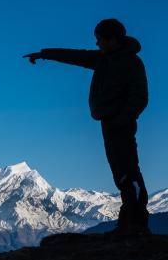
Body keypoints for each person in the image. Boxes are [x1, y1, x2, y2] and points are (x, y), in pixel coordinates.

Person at [23, 19, 150, 235]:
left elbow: (140, 97)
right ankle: (128, 220)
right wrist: (44, 53)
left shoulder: (131, 63)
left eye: (100, 39)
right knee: (119, 171)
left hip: (121, 124)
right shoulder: (103, 59)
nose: (97, 43)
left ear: (112, 39)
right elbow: (74, 56)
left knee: (129, 169)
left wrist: (123, 119)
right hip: (108, 122)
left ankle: (137, 221)